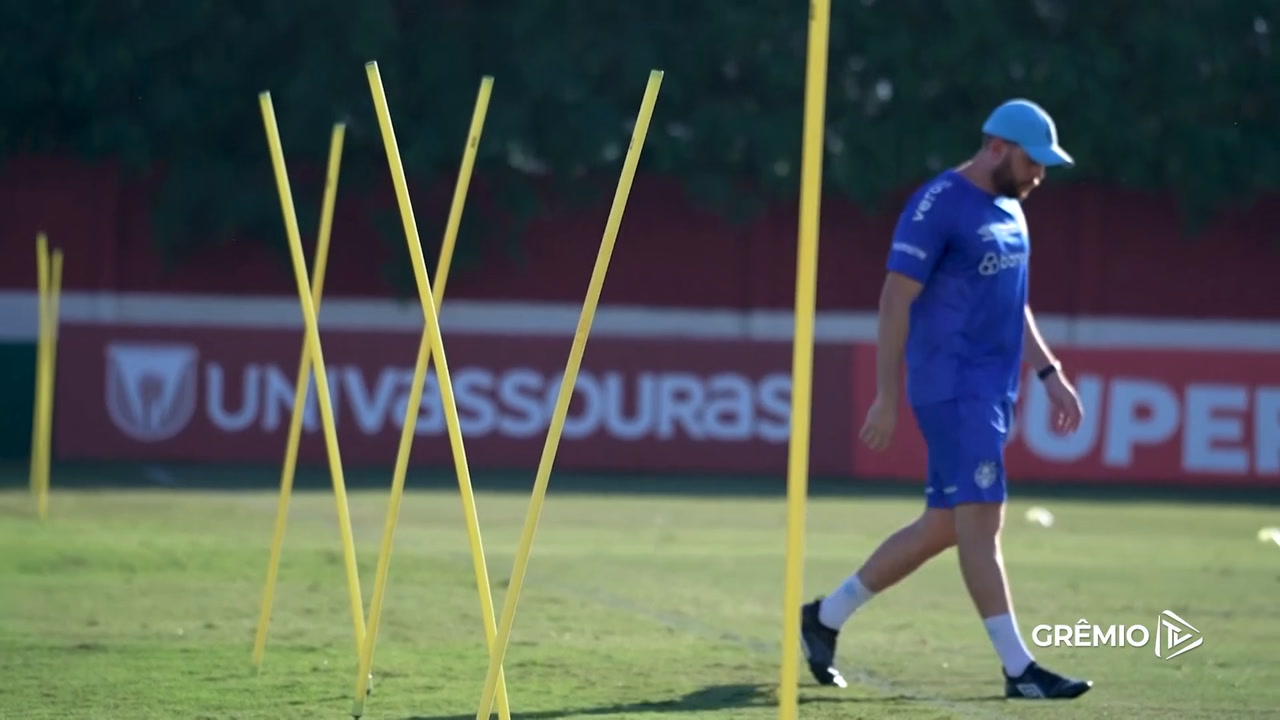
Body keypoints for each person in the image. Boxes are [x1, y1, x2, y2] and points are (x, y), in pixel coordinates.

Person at [799, 99, 1093, 700]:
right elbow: (893, 299)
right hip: (953, 388)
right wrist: (885, 396)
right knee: (983, 521)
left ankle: (825, 617)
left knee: (943, 526)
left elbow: (1016, 301)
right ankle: (1020, 670)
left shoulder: (1013, 208)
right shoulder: (938, 205)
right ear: (996, 147)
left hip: (990, 391)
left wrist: (1049, 372)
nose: (1039, 175)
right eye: (1033, 162)